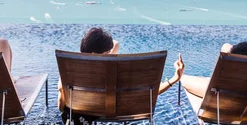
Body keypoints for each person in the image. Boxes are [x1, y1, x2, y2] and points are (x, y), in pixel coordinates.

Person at [57, 27, 185, 112]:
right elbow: (150, 93)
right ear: (94, 54)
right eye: (107, 53)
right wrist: (175, 78)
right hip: (118, 113)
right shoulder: (115, 74)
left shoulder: (69, 74)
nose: (110, 54)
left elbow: (61, 107)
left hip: (85, 112)